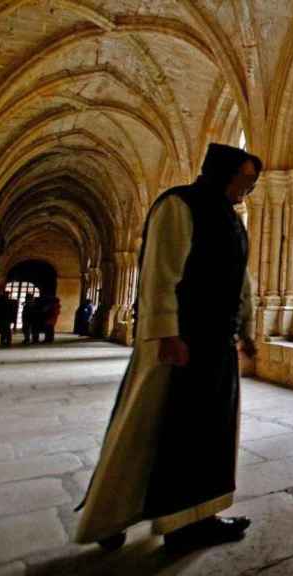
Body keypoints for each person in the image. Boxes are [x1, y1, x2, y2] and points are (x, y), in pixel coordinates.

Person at [75, 143, 260, 553]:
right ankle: (121, 514)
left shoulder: (232, 220)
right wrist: (166, 333)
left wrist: (247, 329)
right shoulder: (180, 205)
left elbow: (241, 280)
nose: (248, 187)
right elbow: (160, 271)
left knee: (209, 434)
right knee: (151, 429)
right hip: (180, 342)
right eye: (243, 178)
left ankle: (198, 515)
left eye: (252, 181)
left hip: (216, 343)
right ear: (220, 172)